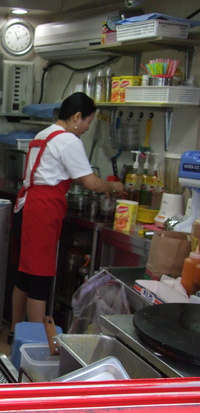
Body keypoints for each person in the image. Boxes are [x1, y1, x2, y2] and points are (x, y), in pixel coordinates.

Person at [8, 92, 124, 344]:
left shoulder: (43, 134)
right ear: (76, 117)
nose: (86, 128)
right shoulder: (69, 141)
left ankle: (16, 332)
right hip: (43, 210)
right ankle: (37, 342)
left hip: (26, 206)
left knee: (24, 276)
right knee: (39, 279)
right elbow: (91, 182)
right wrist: (114, 188)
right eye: (87, 122)